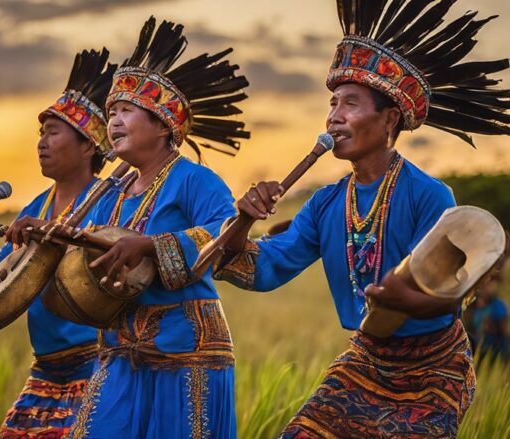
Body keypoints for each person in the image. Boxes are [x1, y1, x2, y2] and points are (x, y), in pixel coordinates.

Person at [214, 1, 510, 437]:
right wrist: (242, 220)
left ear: (389, 119)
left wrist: (403, 301)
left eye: (350, 103)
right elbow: (263, 270)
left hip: (433, 371)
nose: (334, 115)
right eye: (332, 103)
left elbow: (452, 295)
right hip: (366, 360)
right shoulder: (324, 204)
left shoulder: (429, 194)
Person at [58, 17, 250, 438]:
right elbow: (87, 248)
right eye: (111, 112)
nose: (114, 121)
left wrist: (149, 245)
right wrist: (49, 235)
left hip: (188, 350)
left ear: (164, 124)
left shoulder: (196, 180)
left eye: (127, 110)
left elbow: (223, 238)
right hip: (120, 347)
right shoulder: (108, 191)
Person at [0, 49, 115, 438]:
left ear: (88, 145)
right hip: (46, 369)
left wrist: (51, 234)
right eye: (41, 133)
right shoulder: (35, 206)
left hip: (98, 365)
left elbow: (114, 264)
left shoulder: (111, 199)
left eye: (53, 132)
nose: (41, 142)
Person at [464, 231, 509, 361]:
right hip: (479, 351)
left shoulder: (498, 307)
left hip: (495, 352)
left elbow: (504, 334)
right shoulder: (473, 305)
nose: (487, 286)